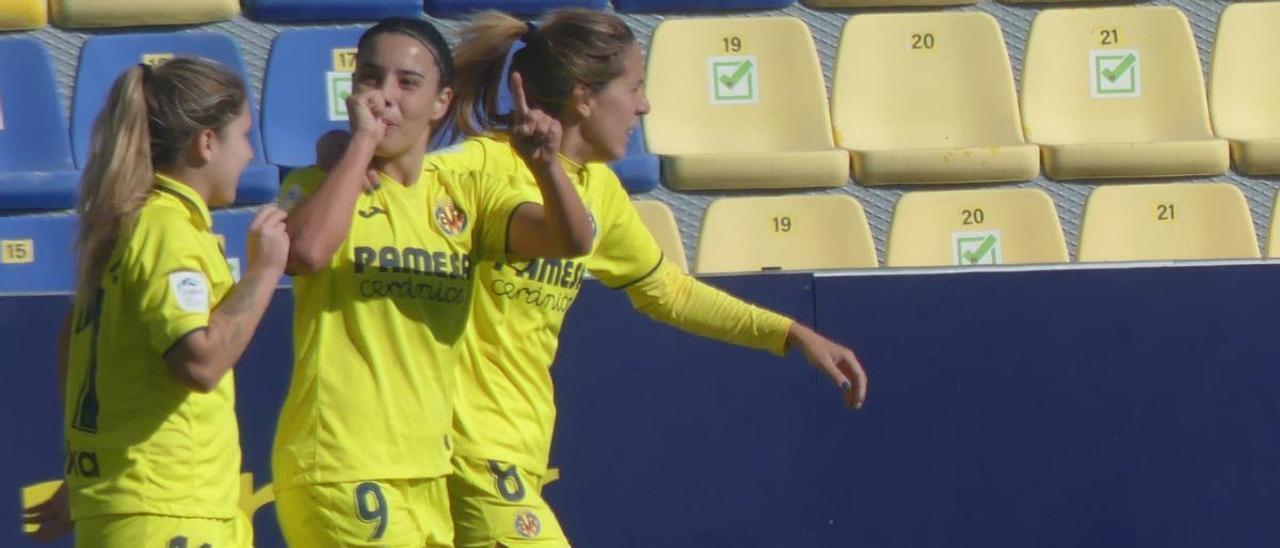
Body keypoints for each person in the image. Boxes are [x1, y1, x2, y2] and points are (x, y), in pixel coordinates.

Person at [432, 10, 871, 547]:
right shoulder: (477, 168)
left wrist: (790, 333)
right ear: (583, 96)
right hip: (467, 455)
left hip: (517, 455)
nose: (644, 105)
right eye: (635, 87)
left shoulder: (599, 190)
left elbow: (669, 291)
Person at [271, 17, 593, 547]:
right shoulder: (320, 186)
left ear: (441, 102)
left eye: (406, 82)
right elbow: (304, 252)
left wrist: (548, 169)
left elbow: (571, 241)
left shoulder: (460, 196)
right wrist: (356, 147)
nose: (383, 96)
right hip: (340, 466)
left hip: (427, 472)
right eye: (370, 79)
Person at [32, 57, 288, 547]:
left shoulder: (125, 227)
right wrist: (264, 271)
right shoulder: (165, 229)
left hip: (144, 508)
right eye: (243, 136)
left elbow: (73, 345)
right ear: (206, 142)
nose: (250, 155)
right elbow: (199, 361)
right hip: (169, 513)